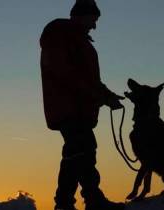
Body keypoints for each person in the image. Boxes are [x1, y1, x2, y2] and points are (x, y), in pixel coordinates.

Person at [39, 1, 125, 210]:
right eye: (93, 20)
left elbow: (87, 78)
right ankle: (81, 201)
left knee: (80, 152)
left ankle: (74, 201)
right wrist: (102, 96)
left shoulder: (76, 40)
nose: (94, 26)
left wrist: (107, 95)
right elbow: (68, 74)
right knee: (81, 150)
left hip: (77, 106)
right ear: (81, 16)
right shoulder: (60, 37)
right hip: (69, 106)